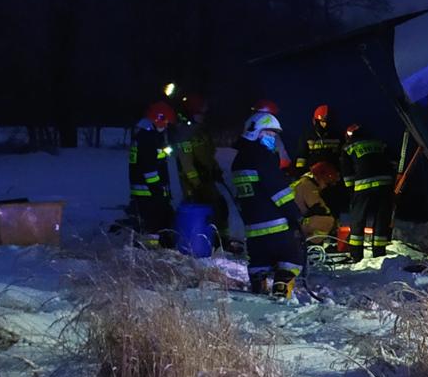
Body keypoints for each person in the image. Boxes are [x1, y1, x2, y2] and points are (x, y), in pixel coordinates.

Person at [232, 111, 305, 297]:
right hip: (276, 225)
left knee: (259, 262)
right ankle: (281, 295)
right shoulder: (263, 157)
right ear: (257, 132)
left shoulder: (238, 160)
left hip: (253, 228)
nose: (272, 139)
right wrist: (295, 213)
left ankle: (259, 292)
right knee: (290, 259)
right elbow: (277, 189)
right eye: (270, 134)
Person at [171, 95, 228, 238]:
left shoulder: (202, 131)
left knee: (220, 206)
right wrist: (197, 183)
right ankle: (200, 239)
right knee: (201, 210)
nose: (203, 117)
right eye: (201, 113)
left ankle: (221, 238)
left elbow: (209, 155)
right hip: (194, 183)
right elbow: (186, 164)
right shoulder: (184, 133)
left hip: (207, 177)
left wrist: (215, 169)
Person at [339, 123, 396, 260]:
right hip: (385, 185)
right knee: (381, 219)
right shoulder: (379, 143)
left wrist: (351, 190)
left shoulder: (348, 147)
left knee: (358, 220)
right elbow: (393, 161)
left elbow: (347, 173)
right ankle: (379, 254)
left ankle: (356, 256)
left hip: (363, 187)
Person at [128, 101, 177, 247]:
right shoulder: (147, 137)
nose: (166, 125)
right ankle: (150, 254)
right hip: (149, 192)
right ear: (158, 119)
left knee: (161, 222)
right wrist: (156, 188)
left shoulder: (148, 135)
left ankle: (156, 249)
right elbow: (149, 168)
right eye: (165, 122)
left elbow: (157, 157)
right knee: (153, 227)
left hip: (148, 191)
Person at [294, 161, 341, 239]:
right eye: (328, 183)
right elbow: (319, 208)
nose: (326, 187)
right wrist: (335, 223)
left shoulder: (303, 182)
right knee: (328, 221)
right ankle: (313, 242)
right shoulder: (308, 185)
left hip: (294, 220)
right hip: (296, 224)